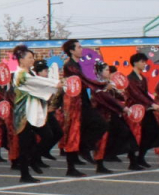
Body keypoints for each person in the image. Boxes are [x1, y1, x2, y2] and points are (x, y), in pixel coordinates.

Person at [11, 46, 60, 183]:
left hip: (35, 112)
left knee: (47, 135)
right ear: (21, 60)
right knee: (25, 144)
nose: (32, 60)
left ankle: (34, 159)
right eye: (29, 58)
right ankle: (24, 174)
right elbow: (37, 83)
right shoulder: (20, 74)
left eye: (32, 57)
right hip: (24, 114)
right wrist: (55, 83)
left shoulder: (31, 73)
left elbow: (40, 84)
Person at [60, 39, 107, 177]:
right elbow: (83, 80)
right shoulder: (70, 65)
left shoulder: (77, 64)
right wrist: (101, 85)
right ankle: (71, 166)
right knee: (73, 132)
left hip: (82, 101)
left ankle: (84, 147)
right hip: (74, 103)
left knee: (100, 125)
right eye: (79, 47)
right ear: (71, 50)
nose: (82, 50)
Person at [89, 64, 137, 174]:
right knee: (102, 140)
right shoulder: (96, 85)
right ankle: (100, 164)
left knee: (127, 133)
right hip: (102, 116)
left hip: (113, 115)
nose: (108, 72)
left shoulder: (108, 84)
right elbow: (104, 99)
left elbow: (118, 98)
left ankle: (132, 161)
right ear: (100, 72)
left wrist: (120, 91)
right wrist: (121, 106)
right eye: (106, 70)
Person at [124, 53, 159, 169]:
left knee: (152, 132)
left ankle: (141, 157)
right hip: (135, 110)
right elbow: (136, 95)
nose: (144, 64)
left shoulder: (144, 78)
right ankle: (133, 161)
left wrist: (153, 104)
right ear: (135, 62)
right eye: (142, 62)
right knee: (135, 135)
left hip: (146, 109)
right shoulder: (130, 78)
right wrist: (151, 104)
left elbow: (145, 94)